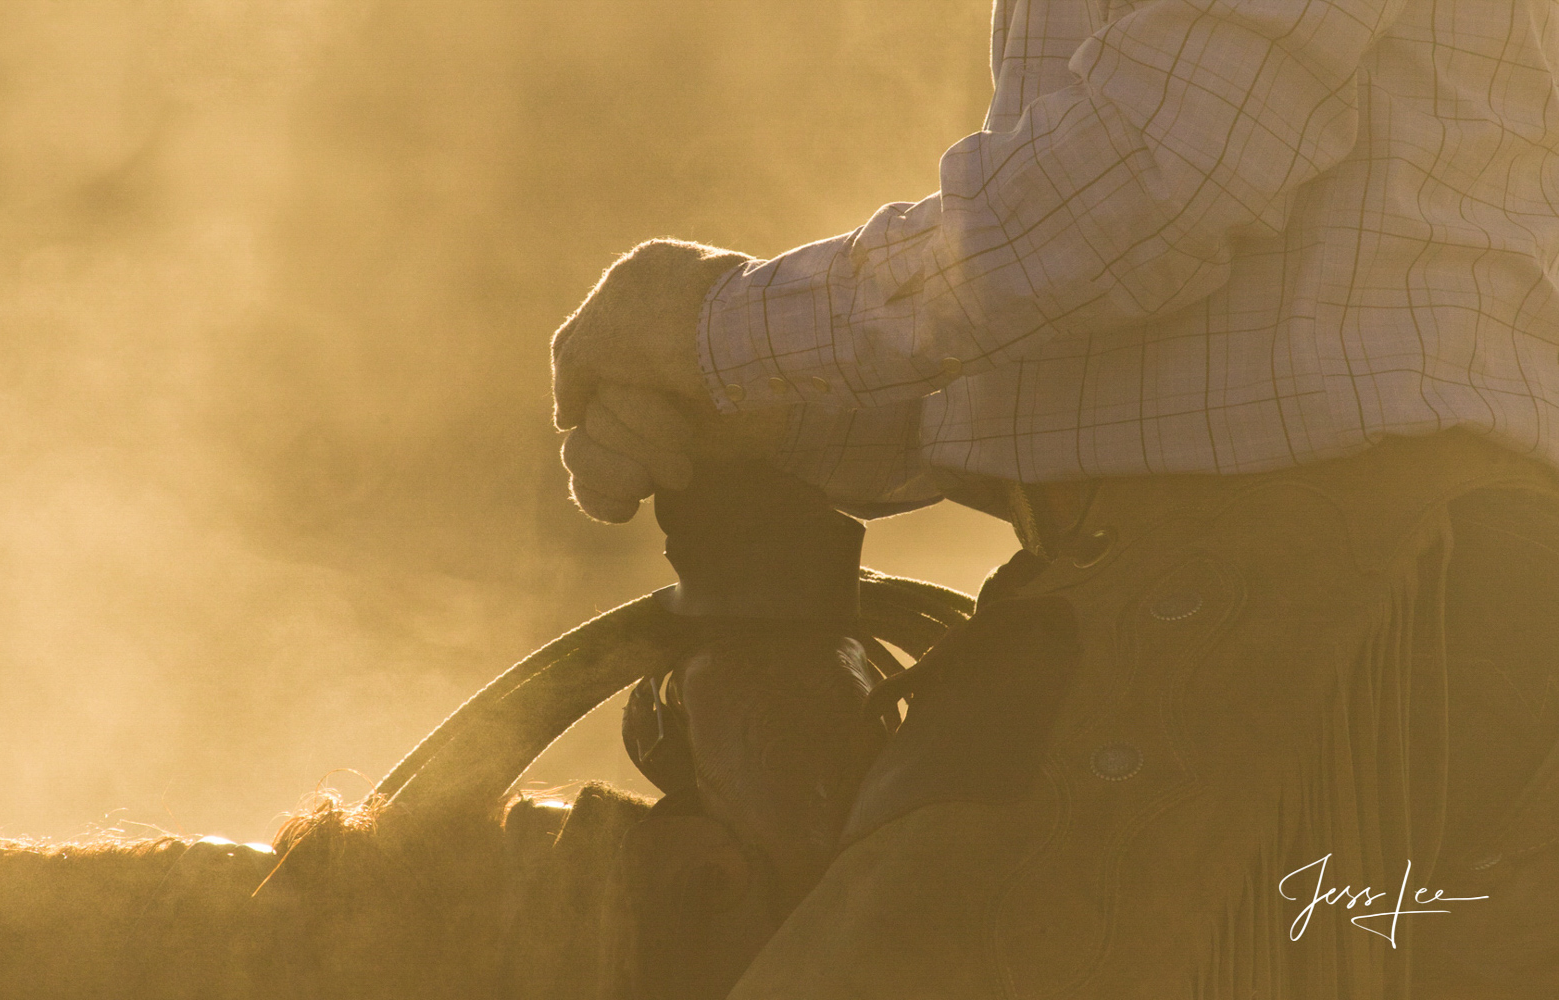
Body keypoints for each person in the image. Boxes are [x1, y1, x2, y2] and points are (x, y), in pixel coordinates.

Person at [550, 0, 1559, 996]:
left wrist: (721, 334)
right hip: (1227, 579)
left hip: (1304, 589)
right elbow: (1090, 334)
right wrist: (760, 405)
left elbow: (1151, 179)